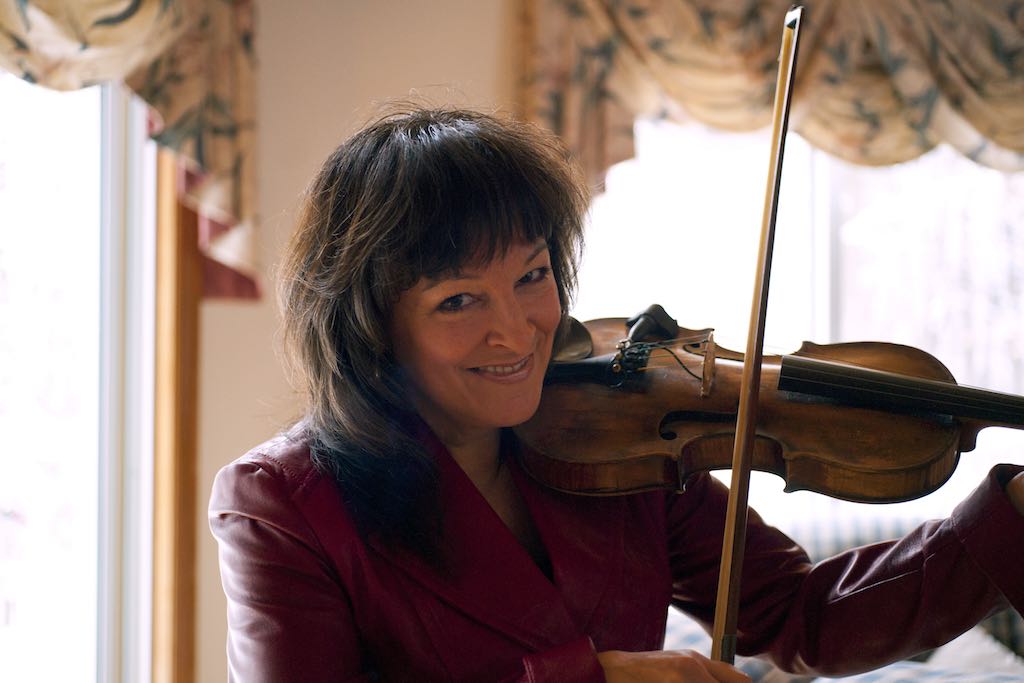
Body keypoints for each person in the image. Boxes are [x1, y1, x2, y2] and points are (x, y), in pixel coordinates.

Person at [209, 106, 1024, 682]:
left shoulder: (617, 434)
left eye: (532, 276)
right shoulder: (280, 504)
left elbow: (808, 615)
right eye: (459, 299)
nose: (519, 330)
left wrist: (1005, 518)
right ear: (372, 323)